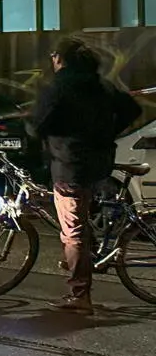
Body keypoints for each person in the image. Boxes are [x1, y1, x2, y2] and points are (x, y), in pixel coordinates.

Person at [29, 37, 140, 313]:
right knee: (82, 219)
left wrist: (49, 133)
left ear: (60, 59)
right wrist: (106, 133)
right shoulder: (100, 84)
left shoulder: (59, 87)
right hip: (99, 163)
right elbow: (131, 109)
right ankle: (84, 259)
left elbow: (38, 124)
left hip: (70, 165)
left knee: (73, 231)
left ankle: (80, 294)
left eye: (54, 56)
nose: (52, 60)